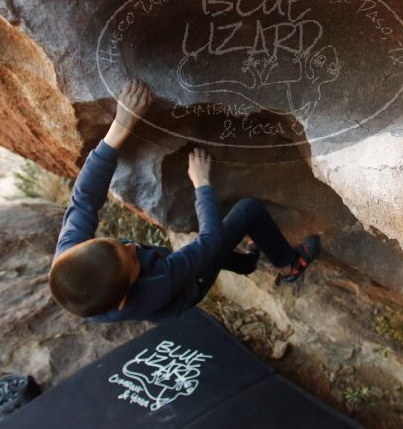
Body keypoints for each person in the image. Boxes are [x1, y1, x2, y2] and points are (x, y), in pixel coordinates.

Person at [48, 78, 321, 323]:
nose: (132, 247)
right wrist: (202, 183)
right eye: (131, 259)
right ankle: (287, 264)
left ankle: (247, 263)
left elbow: (84, 198)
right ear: (123, 298)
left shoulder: (73, 267)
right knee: (248, 210)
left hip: (169, 278)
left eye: (120, 245)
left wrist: (120, 126)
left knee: (216, 251)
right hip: (189, 286)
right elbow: (209, 240)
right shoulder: (159, 281)